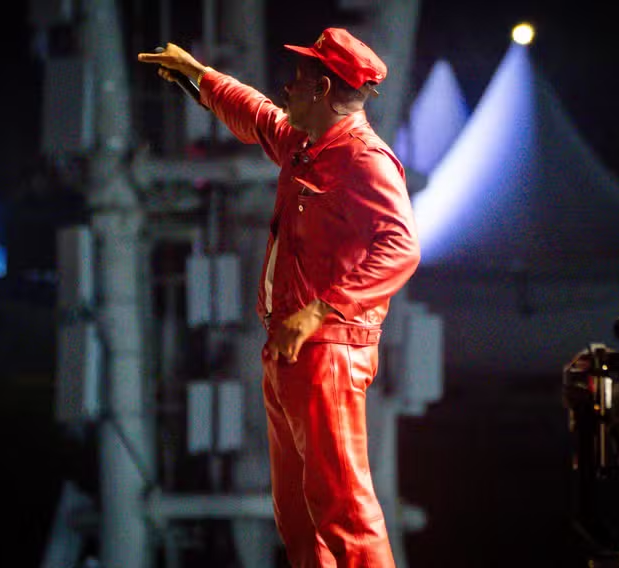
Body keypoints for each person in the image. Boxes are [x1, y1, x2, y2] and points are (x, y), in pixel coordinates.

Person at [138, 27, 420, 568]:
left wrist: (321, 309)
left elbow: (402, 247)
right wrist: (198, 76)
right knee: (297, 516)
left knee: (344, 512)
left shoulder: (365, 159)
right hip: (292, 349)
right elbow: (258, 114)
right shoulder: (308, 145)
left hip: (328, 350)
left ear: (320, 88)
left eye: (297, 79)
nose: (287, 88)